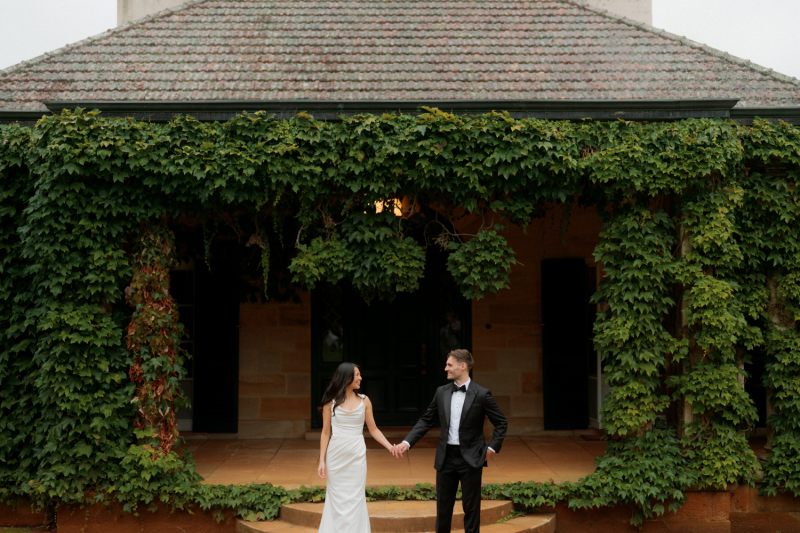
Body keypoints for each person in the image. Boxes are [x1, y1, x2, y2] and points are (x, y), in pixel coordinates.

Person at [391, 349, 507, 533]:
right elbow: (426, 420)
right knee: (443, 510)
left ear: (463, 366)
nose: (445, 368)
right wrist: (407, 443)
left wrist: (491, 448)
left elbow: (501, 423)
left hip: (471, 458)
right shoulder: (441, 392)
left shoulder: (482, 394)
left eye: (449, 365)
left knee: (471, 509)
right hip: (445, 458)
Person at [317, 362, 394, 533]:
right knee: (336, 500)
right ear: (347, 378)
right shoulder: (330, 403)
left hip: (356, 456)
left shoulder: (365, 401)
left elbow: (373, 429)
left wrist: (390, 446)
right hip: (335, 457)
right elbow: (325, 433)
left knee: (355, 498)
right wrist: (321, 460)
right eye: (357, 374)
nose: (360, 378)